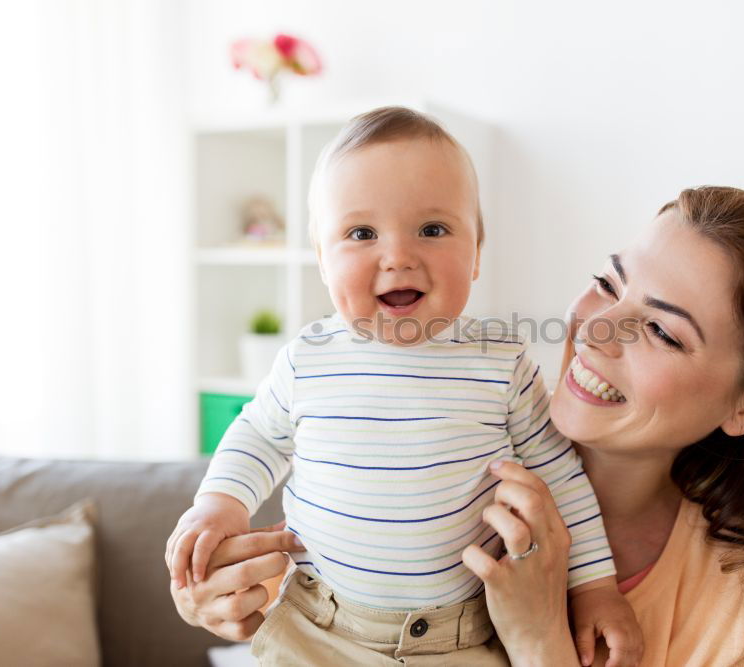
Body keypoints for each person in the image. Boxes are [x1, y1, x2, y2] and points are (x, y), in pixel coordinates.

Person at [171, 186, 744, 665]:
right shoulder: (433, 436)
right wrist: (227, 594)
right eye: (610, 283)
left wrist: (543, 638)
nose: (599, 328)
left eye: (664, 333)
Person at [165, 107, 639, 666]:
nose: (398, 257)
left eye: (433, 230)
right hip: (317, 623)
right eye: (361, 233)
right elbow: (259, 436)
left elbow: (559, 479)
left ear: (477, 254)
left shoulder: (501, 363)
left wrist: (593, 587)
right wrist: (218, 503)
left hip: (461, 635)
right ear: (321, 258)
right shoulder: (307, 359)